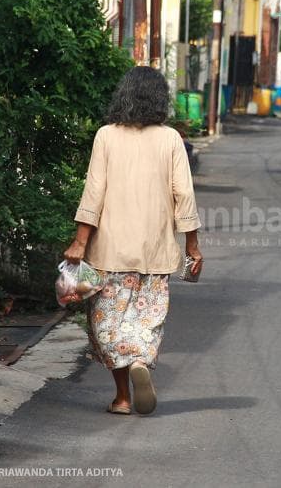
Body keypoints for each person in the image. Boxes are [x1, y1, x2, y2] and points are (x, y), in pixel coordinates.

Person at [63, 66, 203, 416]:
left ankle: (123, 397)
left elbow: (93, 192)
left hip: (109, 251)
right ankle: (141, 361)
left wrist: (80, 242)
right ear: (160, 99)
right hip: (155, 252)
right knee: (146, 320)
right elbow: (183, 193)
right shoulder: (171, 139)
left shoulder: (106, 136)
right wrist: (192, 247)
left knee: (108, 324)